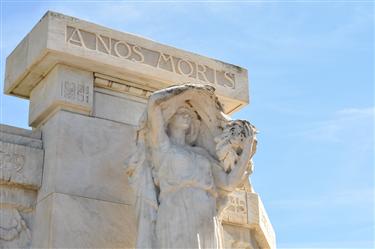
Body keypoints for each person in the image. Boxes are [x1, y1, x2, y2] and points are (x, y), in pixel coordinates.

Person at [125, 84, 257, 249]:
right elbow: (154, 104)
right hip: (178, 210)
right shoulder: (163, 148)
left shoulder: (201, 154)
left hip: (207, 214)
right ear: (170, 118)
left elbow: (229, 183)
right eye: (181, 113)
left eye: (189, 114)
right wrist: (188, 93)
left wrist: (247, 150)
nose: (186, 116)